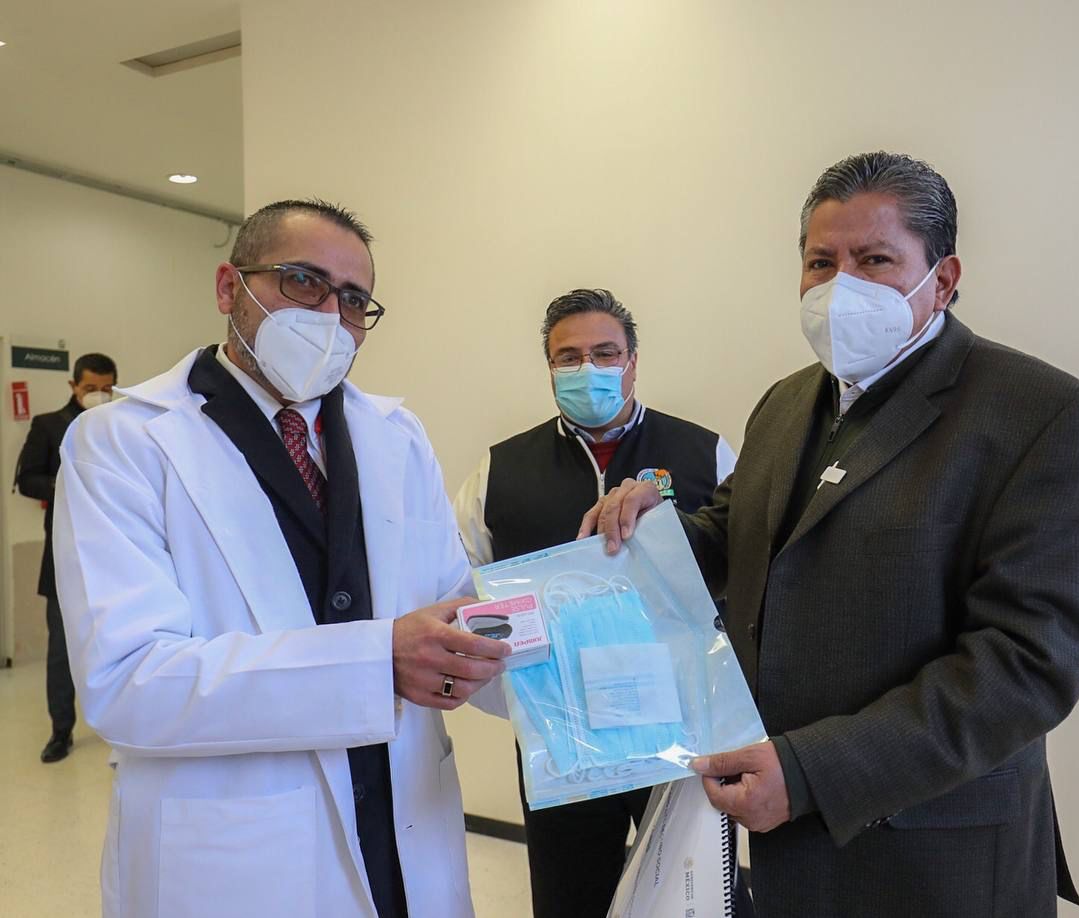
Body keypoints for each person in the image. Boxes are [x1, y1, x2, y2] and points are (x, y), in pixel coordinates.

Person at [581, 152, 1079, 917]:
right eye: (820, 262)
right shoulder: (784, 403)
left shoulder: (1042, 415)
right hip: (786, 845)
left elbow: (1028, 665)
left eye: (874, 260)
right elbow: (735, 535)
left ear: (943, 277)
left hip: (934, 851)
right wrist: (649, 532)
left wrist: (811, 772)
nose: (841, 287)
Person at [53, 199, 510, 918]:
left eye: (353, 300)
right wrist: (376, 663)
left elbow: (453, 604)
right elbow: (128, 681)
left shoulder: (397, 435)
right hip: (239, 848)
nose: (330, 315)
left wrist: (590, 618)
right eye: (303, 281)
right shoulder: (121, 444)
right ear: (228, 288)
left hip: (402, 821)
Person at [452, 287, 736, 918]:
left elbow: (745, 574)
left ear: (632, 361)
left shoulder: (705, 454)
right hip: (562, 737)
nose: (589, 369)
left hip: (682, 728)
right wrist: (516, 699)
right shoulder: (499, 471)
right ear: (549, 367)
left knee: (696, 894)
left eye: (605, 353)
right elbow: (464, 590)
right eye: (569, 357)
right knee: (569, 895)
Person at [15, 351, 117, 763]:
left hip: (113, 557)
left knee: (118, 644)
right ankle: (61, 731)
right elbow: (26, 480)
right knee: (61, 651)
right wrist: (67, 481)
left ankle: (120, 729)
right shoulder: (48, 425)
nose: (98, 395)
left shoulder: (120, 424)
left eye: (106, 388)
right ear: (73, 386)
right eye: (90, 387)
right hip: (64, 558)